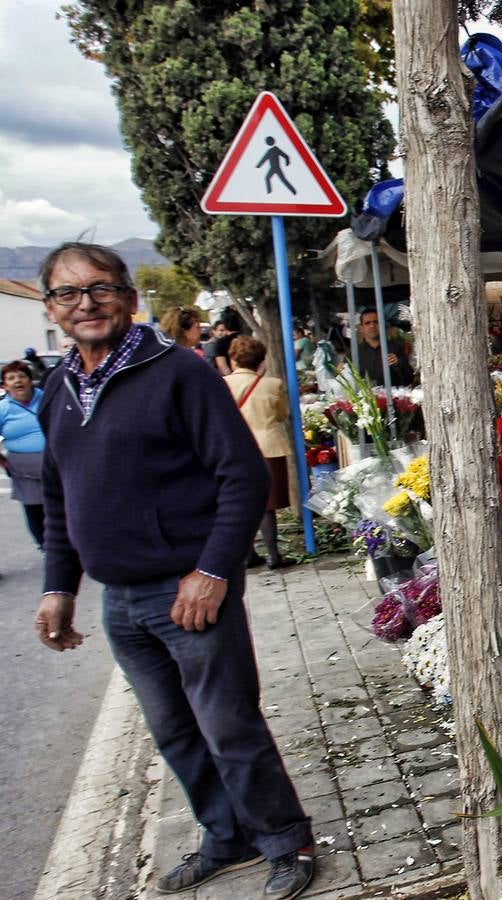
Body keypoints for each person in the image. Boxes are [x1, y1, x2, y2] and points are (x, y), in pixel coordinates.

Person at [31, 242, 316, 899]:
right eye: (69, 294)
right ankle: (227, 836)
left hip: (187, 589)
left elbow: (243, 476)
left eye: (100, 288)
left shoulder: (177, 374)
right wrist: (57, 587)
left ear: (130, 299)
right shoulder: (59, 387)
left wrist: (213, 569)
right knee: (176, 734)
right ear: (52, 310)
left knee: (228, 726)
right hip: (119, 601)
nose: (87, 304)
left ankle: (285, 839)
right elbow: (57, 496)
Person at [225, 336, 296, 571]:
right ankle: (274, 554)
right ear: (261, 360)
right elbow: (282, 414)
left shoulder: (223, 384)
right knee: (268, 504)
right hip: (269, 446)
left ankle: (247, 554)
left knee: (241, 502)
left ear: (233, 359)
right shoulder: (272, 384)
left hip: (237, 449)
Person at [0, 360, 45, 548]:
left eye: (22, 376)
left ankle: (72, 545)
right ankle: (45, 546)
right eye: (11, 378)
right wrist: (2, 461)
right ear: (5, 385)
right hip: (22, 469)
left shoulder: (47, 398)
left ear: (30, 380)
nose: (17, 381)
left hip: (56, 464)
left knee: (64, 508)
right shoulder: (3, 409)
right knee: (34, 509)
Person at [354, 307, 414, 387]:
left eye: (376, 322)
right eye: (367, 323)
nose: (372, 326)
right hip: (364, 398)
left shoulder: (396, 348)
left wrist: (398, 363)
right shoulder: (354, 352)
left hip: (392, 397)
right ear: (361, 328)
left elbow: (409, 379)